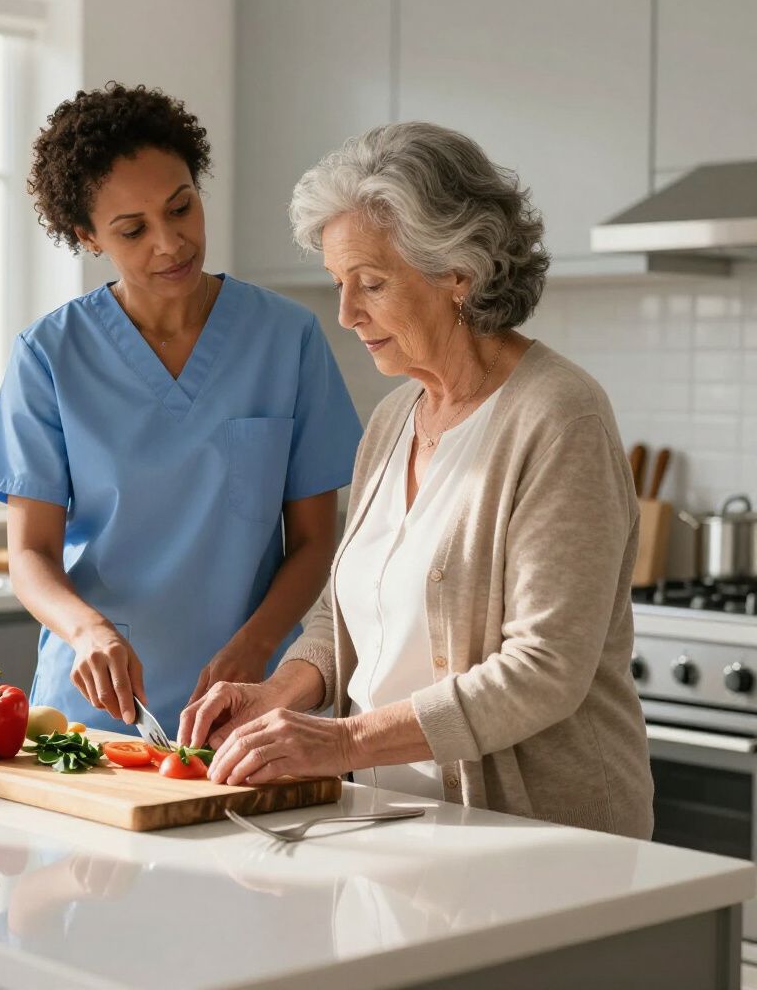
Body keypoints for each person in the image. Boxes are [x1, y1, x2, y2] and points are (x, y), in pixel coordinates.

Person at [181, 122, 654, 838]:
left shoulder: (560, 416)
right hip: (396, 822)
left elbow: (544, 668)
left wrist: (340, 742)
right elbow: (348, 616)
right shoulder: (394, 417)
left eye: (371, 283)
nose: (346, 314)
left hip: (543, 836)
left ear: (457, 274)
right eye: (341, 284)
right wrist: (279, 693)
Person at [0, 83, 362, 736]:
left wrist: (255, 647)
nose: (171, 242)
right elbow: (30, 554)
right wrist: (87, 631)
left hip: (254, 701)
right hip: (100, 711)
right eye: (132, 229)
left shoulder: (286, 340)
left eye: (182, 208)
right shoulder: (50, 355)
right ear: (87, 236)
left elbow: (317, 541)